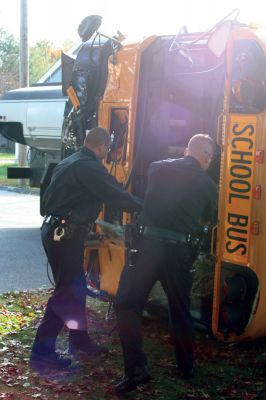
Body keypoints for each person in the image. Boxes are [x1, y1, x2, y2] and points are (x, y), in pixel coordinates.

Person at [30, 127, 142, 371]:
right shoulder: (89, 167)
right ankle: (42, 352)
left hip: (56, 231)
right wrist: (145, 208)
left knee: (76, 287)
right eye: (107, 148)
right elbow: (115, 194)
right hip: (65, 234)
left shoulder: (71, 161)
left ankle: (79, 340)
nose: (108, 152)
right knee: (67, 292)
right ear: (102, 146)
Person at [114, 134, 217, 394]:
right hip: (179, 253)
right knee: (180, 310)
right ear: (207, 157)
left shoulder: (156, 168)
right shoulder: (208, 184)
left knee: (126, 304)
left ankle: (136, 370)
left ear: (186, 149)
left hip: (146, 248)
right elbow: (207, 219)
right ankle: (186, 366)